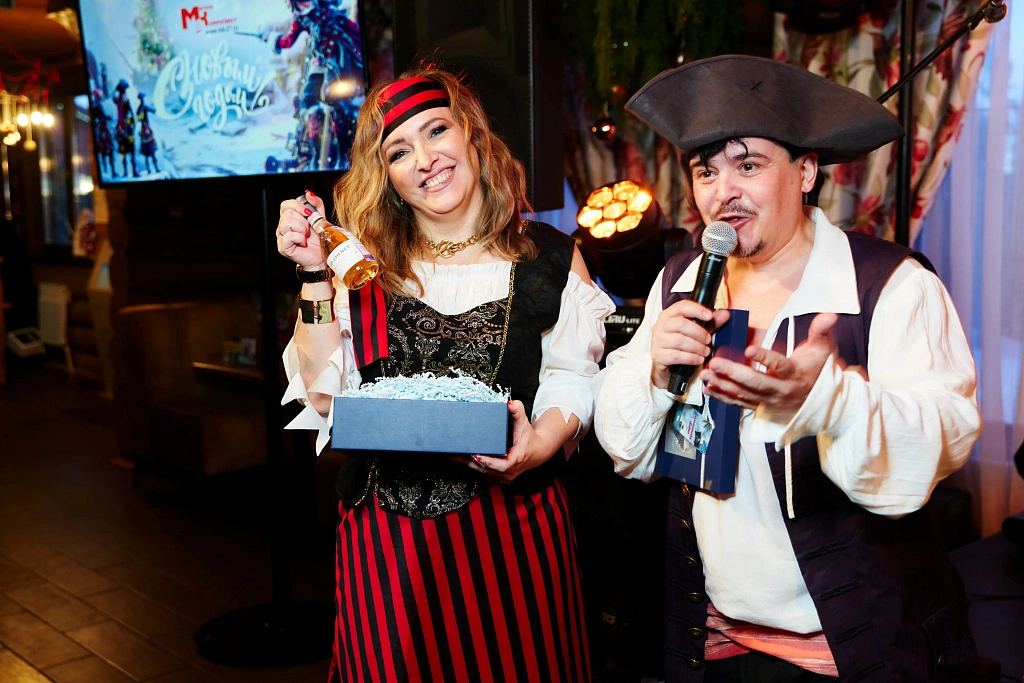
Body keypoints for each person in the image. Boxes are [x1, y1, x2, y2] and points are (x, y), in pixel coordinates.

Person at [594, 55, 982, 682]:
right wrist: (656, 376)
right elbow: (627, 452)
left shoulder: (889, 284)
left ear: (804, 172)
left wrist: (830, 402)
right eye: (706, 171)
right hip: (713, 645)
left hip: (855, 652)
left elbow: (943, 438)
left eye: (748, 165)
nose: (723, 191)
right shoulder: (682, 284)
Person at [276, 66, 612, 682]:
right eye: (399, 151)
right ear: (387, 177)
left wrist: (539, 446)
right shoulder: (361, 269)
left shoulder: (550, 256)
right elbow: (324, 398)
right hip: (388, 551)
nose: (426, 159)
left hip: (515, 535)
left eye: (436, 131)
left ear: (472, 135)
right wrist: (313, 273)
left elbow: (574, 377)